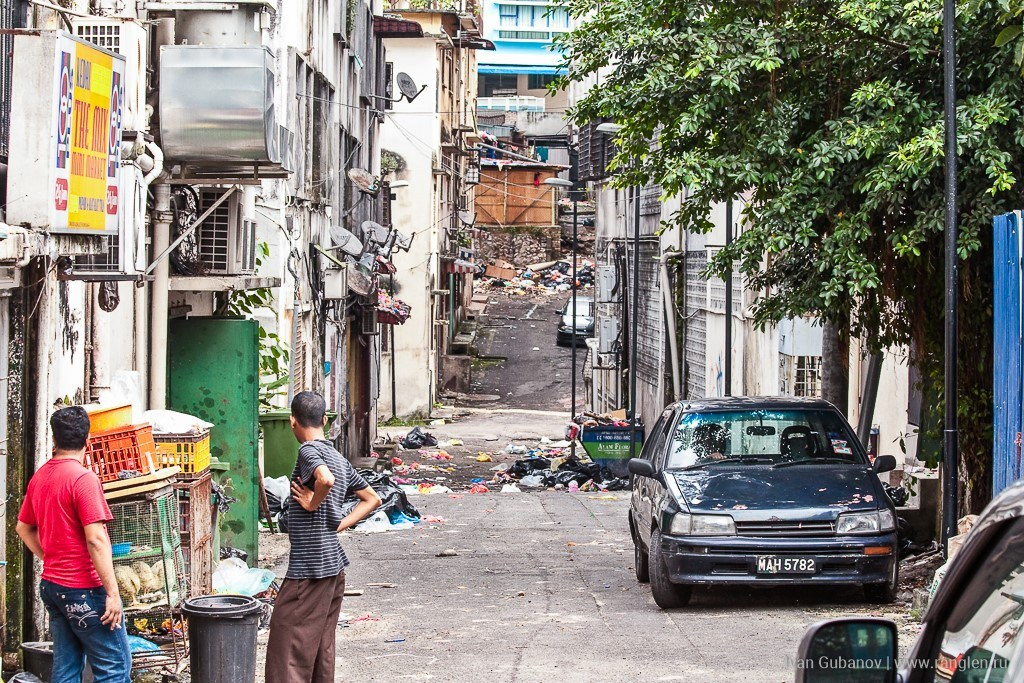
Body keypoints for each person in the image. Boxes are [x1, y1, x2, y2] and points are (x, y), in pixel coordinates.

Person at [265, 391, 381, 683]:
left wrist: (311, 503)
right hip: (333, 567)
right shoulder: (339, 457)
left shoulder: (308, 451)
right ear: (325, 420)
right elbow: (371, 499)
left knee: (288, 652)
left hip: (309, 570)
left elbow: (325, 479)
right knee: (319, 649)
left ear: (293, 421)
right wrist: (339, 525)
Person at [16, 406, 132, 683]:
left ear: (54, 440)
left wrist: (51, 557)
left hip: (53, 587)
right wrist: (112, 594)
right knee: (114, 668)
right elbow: (96, 539)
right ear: (88, 439)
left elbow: (23, 528)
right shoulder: (84, 479)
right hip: (84, 589)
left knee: (66, 667)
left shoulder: (40, 477)